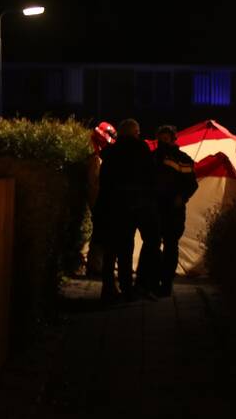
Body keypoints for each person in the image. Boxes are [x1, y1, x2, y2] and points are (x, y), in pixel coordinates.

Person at [97, 118, 160, 302]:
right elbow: (150, 177)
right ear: (134, 132)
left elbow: (105, 181)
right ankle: (132, 287)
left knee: (114, 247)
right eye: (138, 131)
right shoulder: (141, 150)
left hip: (114, 205)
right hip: (138, 204)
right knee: (140, 243)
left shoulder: (111, 152)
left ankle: (109, 287)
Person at [150, 125, 198, 297]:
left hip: (173, 209)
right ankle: (153, 280)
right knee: (153, 245)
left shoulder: (182, 159)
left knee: (170, 245)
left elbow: (192, 184)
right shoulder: (152, 158)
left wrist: (182, 197)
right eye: (160, 139)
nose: (163, 142)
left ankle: (166, 282)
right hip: (155, 208)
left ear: (173, 139)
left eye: (166, 139)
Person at [85, 122, 117, 277]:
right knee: (100, 235)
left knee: (101, 234)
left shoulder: (99, 158)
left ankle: (97, 265)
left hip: (101, 202)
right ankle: (95, 267)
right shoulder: (96, 160)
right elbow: (94, 185)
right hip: (100, 203)